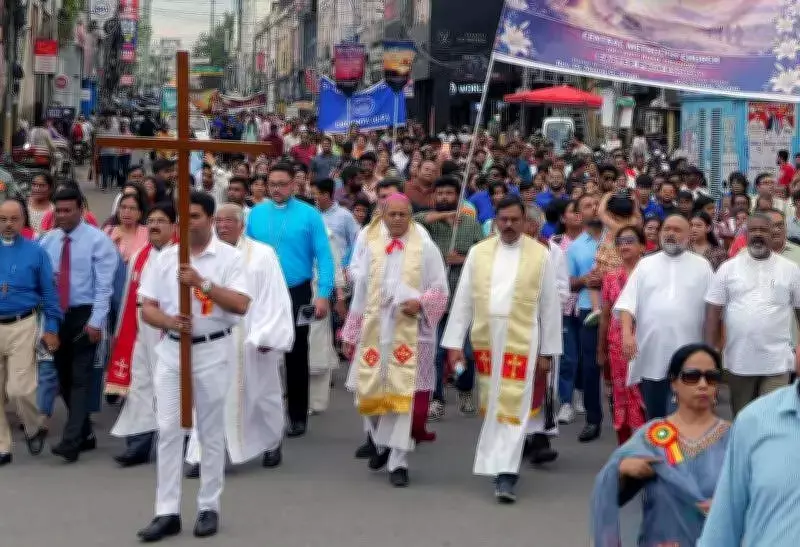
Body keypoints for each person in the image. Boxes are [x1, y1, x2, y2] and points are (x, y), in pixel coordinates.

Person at [135, 192, 250, 542]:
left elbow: (241, 304)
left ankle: (208, 506)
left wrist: (201, 283)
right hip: (172, 350)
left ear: (211, 220)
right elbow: (148, 307)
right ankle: (166, 510)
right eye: (183, 216)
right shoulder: (164, 258)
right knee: (169, 429)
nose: (188, 222)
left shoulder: (229, 257)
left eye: (196, 215)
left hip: (212, 349)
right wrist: (169, 322)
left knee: (210, 431)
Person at [441, 196, 562, 502]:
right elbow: (464, 299)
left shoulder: (540, 255)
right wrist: (455, 343)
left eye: (515, 220)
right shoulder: (479, 253)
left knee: (516, 404)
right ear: (494, 220)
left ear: (525, 222)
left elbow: (549, 306)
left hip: (523, 337)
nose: (509, 226)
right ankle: (498, 463)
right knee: (494, 403)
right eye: (503, 220)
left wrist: (548, 352)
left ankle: (506, 473)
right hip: (486, 338)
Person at [341, 193, 449, 487]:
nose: (398, 220)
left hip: (411, 334)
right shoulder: (371, 245)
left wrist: (420, 303)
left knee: (402, 400)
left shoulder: (425, 247)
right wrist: (350, 332)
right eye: (393, 215)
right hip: (375, 331)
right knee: (370, 394)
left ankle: (398, 461)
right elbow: (360, 292)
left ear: (411, 215)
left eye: (404, 214)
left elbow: (440, 289)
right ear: (383, 215)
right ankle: (380, 442)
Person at [185, 203, 294, 475]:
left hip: (253, 337)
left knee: (262, 395)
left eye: (228, 221)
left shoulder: (262, 255)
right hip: (216, 337)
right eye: (218, 221)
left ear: (241, 224)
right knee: (209, 396)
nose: (222, 226)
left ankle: (271, 441)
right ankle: (202, 455)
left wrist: (269, 334)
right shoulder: (207, 255)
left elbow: (275, 297)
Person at [592, 344, 730, 547]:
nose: (702, 384)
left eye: (711, 377)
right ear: (674, 383)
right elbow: (609, 495)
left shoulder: (734, 437)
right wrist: (621, 471)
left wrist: (726, 509)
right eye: (692, 376)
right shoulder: (652, 436)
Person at [246, 163, 334, 437]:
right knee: (260, 348)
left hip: (298, 290)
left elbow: (325, 257)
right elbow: (245, 253)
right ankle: (259, 412)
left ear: (294, 185)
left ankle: (297, 416)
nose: (276, 189)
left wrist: (323, 295)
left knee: (296, 353)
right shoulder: (256, 214)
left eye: (282, 184)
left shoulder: (310, 215)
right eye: (272, 184)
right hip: (262, 292)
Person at [39, 187, 118, 462]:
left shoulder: (99, 242)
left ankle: (70, 442)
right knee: (63, 377)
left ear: (80, 210)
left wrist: (96, 323)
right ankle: (84, 433)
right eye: (57, 211)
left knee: (80, 377)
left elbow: (104, 287)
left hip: (85, 314)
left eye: (67, 210)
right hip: (57, 315)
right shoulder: (48, 241)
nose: (61, 216)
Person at [615, 214, 713, 420]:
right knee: (656, 419)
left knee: (682, 416)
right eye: (667, 229)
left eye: (677, 230)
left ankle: (680, 453)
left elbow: (714, 310)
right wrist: (626, 333)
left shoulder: (702, 266)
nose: (670, 233)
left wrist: (712, 352)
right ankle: (659, 453)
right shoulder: (645, 265)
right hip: (651, 353)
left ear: (689, 236)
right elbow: (626, 304)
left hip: (689, 356)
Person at [704, 212, 800, 416]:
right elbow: (713, 312)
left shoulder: (790, 270)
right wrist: (710, 352)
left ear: (772, 233)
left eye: (763, 230)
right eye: (753, 230)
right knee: (743, 418)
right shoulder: (728, 269)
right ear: (745, 235)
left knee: (772, 418)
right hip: (739, 362)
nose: (758, 234)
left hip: (776, 362)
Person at [107, 202, 177, 467]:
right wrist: (121, 333)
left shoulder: (181, 256)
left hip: (166, 329)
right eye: (152, 221)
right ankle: (138, 444)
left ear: (173, 226)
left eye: (162, 221)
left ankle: (178, 445)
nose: (156, 226)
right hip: (141, 327)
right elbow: (128, 295)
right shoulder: (141, 255)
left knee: (170, 388)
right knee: (140, 384)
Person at [413, 176, 485, 421]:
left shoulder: (470, 223)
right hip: (434, 300)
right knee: (435, 352)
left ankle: (465, 388)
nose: (444, 197)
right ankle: (436, 398)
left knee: (465, 350)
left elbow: (483, 256)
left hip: (463, 300)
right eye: (440, 193)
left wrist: (461, 260)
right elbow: (416, 220)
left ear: (458, 197)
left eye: (449, 194)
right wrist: (444, 216)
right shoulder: (426, 224)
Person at [0, 199, 61, 465]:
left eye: (14, 219)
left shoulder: (36, 252)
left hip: (23, 325)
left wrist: (51, 328)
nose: (8, 224)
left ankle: (34, 426)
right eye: (2, 219)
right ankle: (3, 447)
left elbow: (49, 295)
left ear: (24, 221)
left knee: (19, 390)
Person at [597, 226, 647, 445]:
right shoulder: (610, 277)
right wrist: (601, 349)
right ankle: (625, 448)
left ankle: (648, 445)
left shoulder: (650, 274)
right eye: (621, 242)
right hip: (617, 345)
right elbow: (606, 315)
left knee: (643, 394)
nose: (624, 245)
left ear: (642, 246)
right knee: (621, 394)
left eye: (630, 241)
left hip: (645, 343)